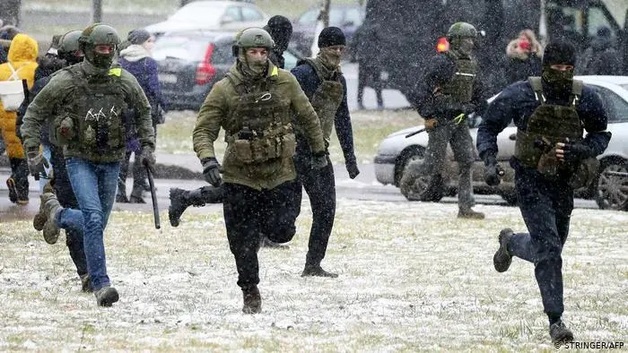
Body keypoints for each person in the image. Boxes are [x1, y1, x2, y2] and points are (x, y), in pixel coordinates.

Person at [476, 41, 611, 346]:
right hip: (530, 180)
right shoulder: (522, 94)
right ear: (544, 67)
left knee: (550, 249)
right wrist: (488, 161)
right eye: (556, 68)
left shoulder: (584, 97)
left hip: (564, 182)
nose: (561, 74)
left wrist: (581, 149)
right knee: (549, 248)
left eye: (567, 69)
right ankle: (556, 321)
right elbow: (488, 126)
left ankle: (510, 243)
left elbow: (601, 134)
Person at [192, 27, 326, 313]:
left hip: (281, 174)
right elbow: (204, 129)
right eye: (253, 52)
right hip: (241, 176)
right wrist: (208, 160)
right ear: (241, 54)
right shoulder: (224, 89)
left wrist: (318, 151)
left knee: (282, 231)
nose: (259, 58)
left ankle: (269, 231)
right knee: (242, 242)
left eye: (263, 52)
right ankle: (250, 290)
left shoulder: (286, 82)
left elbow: (308, 116)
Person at [21, 24, 156, 307]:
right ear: (86, 49)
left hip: (112, 160)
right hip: (78, 158)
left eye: (110, 49)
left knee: (97, 224)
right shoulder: (66, 80)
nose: (105, 54)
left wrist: (147, 146)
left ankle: (57, 213)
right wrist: (33, 151)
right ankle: (100, 284)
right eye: (100, 49)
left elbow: (144, 110)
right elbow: (33, 113)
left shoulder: (122, 79)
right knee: (93, 219)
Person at [168, 18, 293, 230]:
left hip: (263, 134)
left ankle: (187, 197)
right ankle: (188, 197)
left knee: (243, 189)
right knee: (242, 188)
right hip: (254, 134)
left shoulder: (265, 50)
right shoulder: (266, 55)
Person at [18, 30, 92, 292]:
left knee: (95, 219)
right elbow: (28, 117)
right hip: (66, 155)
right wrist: (33, 152)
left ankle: (54, 210)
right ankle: (88, 272)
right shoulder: (53, 83)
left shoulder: (104, 81)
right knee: (84, 217)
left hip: (98, 158)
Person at [289, 26, 359, 277]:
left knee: (326, 208)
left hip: (319, 154)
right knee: (287, 214)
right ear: (322, 48)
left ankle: (313, 263)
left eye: (341, 49)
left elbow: (342, 118)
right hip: (293, 153)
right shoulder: (303, 74)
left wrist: (350, 158)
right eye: (333, 48)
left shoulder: (338, 80)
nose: (338, 53)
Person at [400, 22, 488, 219]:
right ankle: (412, 170)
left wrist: (476, 109)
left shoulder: (472, 65)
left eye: (472, 39)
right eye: (467, 39)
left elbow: (479, 95)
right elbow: (419, 91)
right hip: (440, 121)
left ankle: (466, 207)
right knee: (431, 165)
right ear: (455, 41)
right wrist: (428, 115)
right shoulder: (442, 63)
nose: (470, 43)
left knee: (467, 161)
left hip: (459, 121)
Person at [117, 28, 167, 203]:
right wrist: (164, 104)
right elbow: (154, 88)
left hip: (124, 114)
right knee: (143, 152)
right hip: (144, 114)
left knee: (123, 153)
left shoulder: (121, 61)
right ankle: (137, 193)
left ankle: (119, 192)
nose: (152, 44)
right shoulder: (148, 63)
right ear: (141, 43)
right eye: (149, 41)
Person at [0, 32, 38, 205]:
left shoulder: (2, 69)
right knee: (27, 155)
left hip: (4, 117)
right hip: (24, 117)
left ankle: (21, 194)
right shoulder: (34, 70)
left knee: (14, 154)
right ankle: (18, 184)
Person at [352, 23, 384, 110]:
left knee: (361, 82)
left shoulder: (360, 29)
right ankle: (380, 103)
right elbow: (381, 44)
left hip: (363, 59)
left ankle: (359, 102)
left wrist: (353, 57)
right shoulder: (375, 28)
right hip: (374, 59)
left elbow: (354, 44)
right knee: (377, 81)